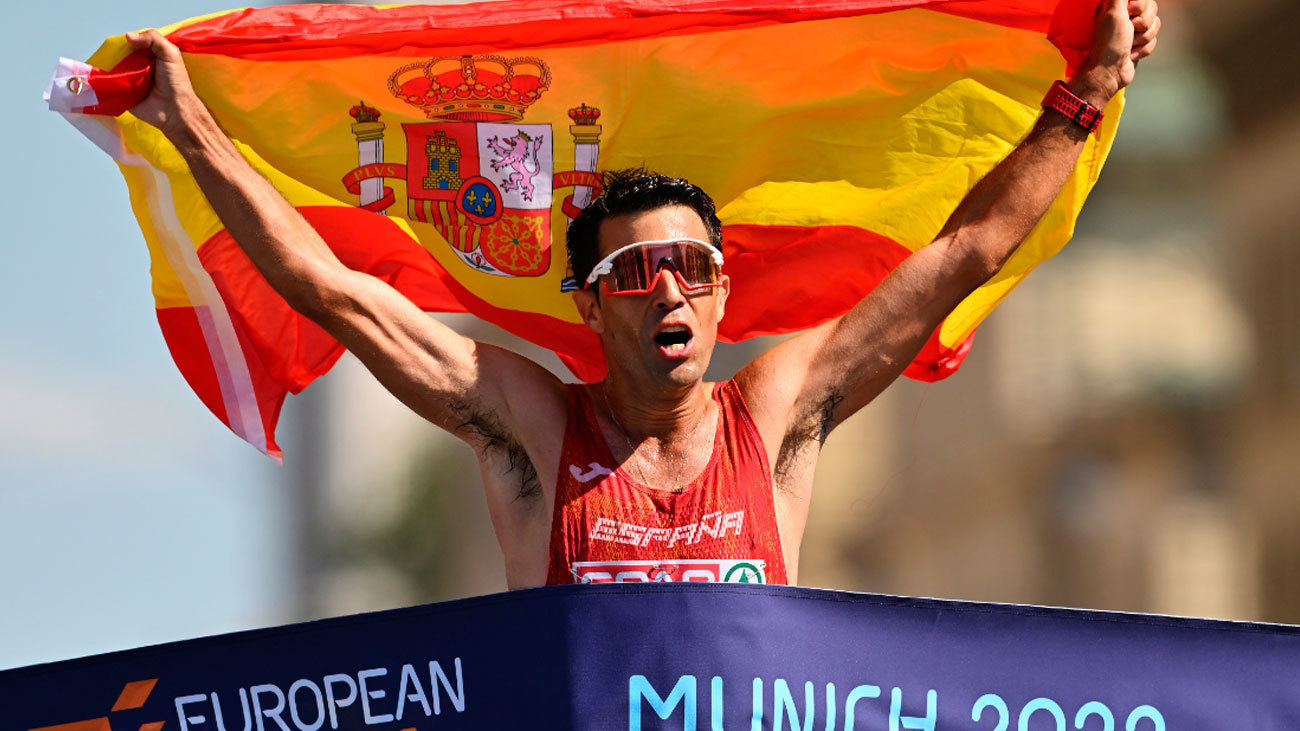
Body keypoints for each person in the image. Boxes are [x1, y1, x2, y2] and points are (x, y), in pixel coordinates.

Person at [124, 0, 1160, 588]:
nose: (668, 287)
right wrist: (188, 126)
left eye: (693, 267)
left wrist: (1085, 95)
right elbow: (333, 289)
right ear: (589, 304)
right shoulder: (529, 421)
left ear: (720, 293)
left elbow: (962, 251)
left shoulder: (775, 407)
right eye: (633, 272)